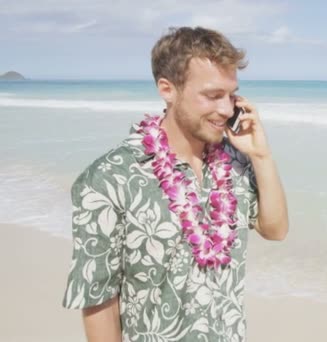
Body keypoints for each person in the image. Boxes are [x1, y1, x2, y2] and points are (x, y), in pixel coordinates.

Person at [62, 26, 289, 342]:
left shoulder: (235, 161)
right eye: (212, 96)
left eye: (231, 94)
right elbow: (98, 298)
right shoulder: (109, 178)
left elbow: (275, 229)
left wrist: (261, 155)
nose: (225, 109)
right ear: (167, 89)